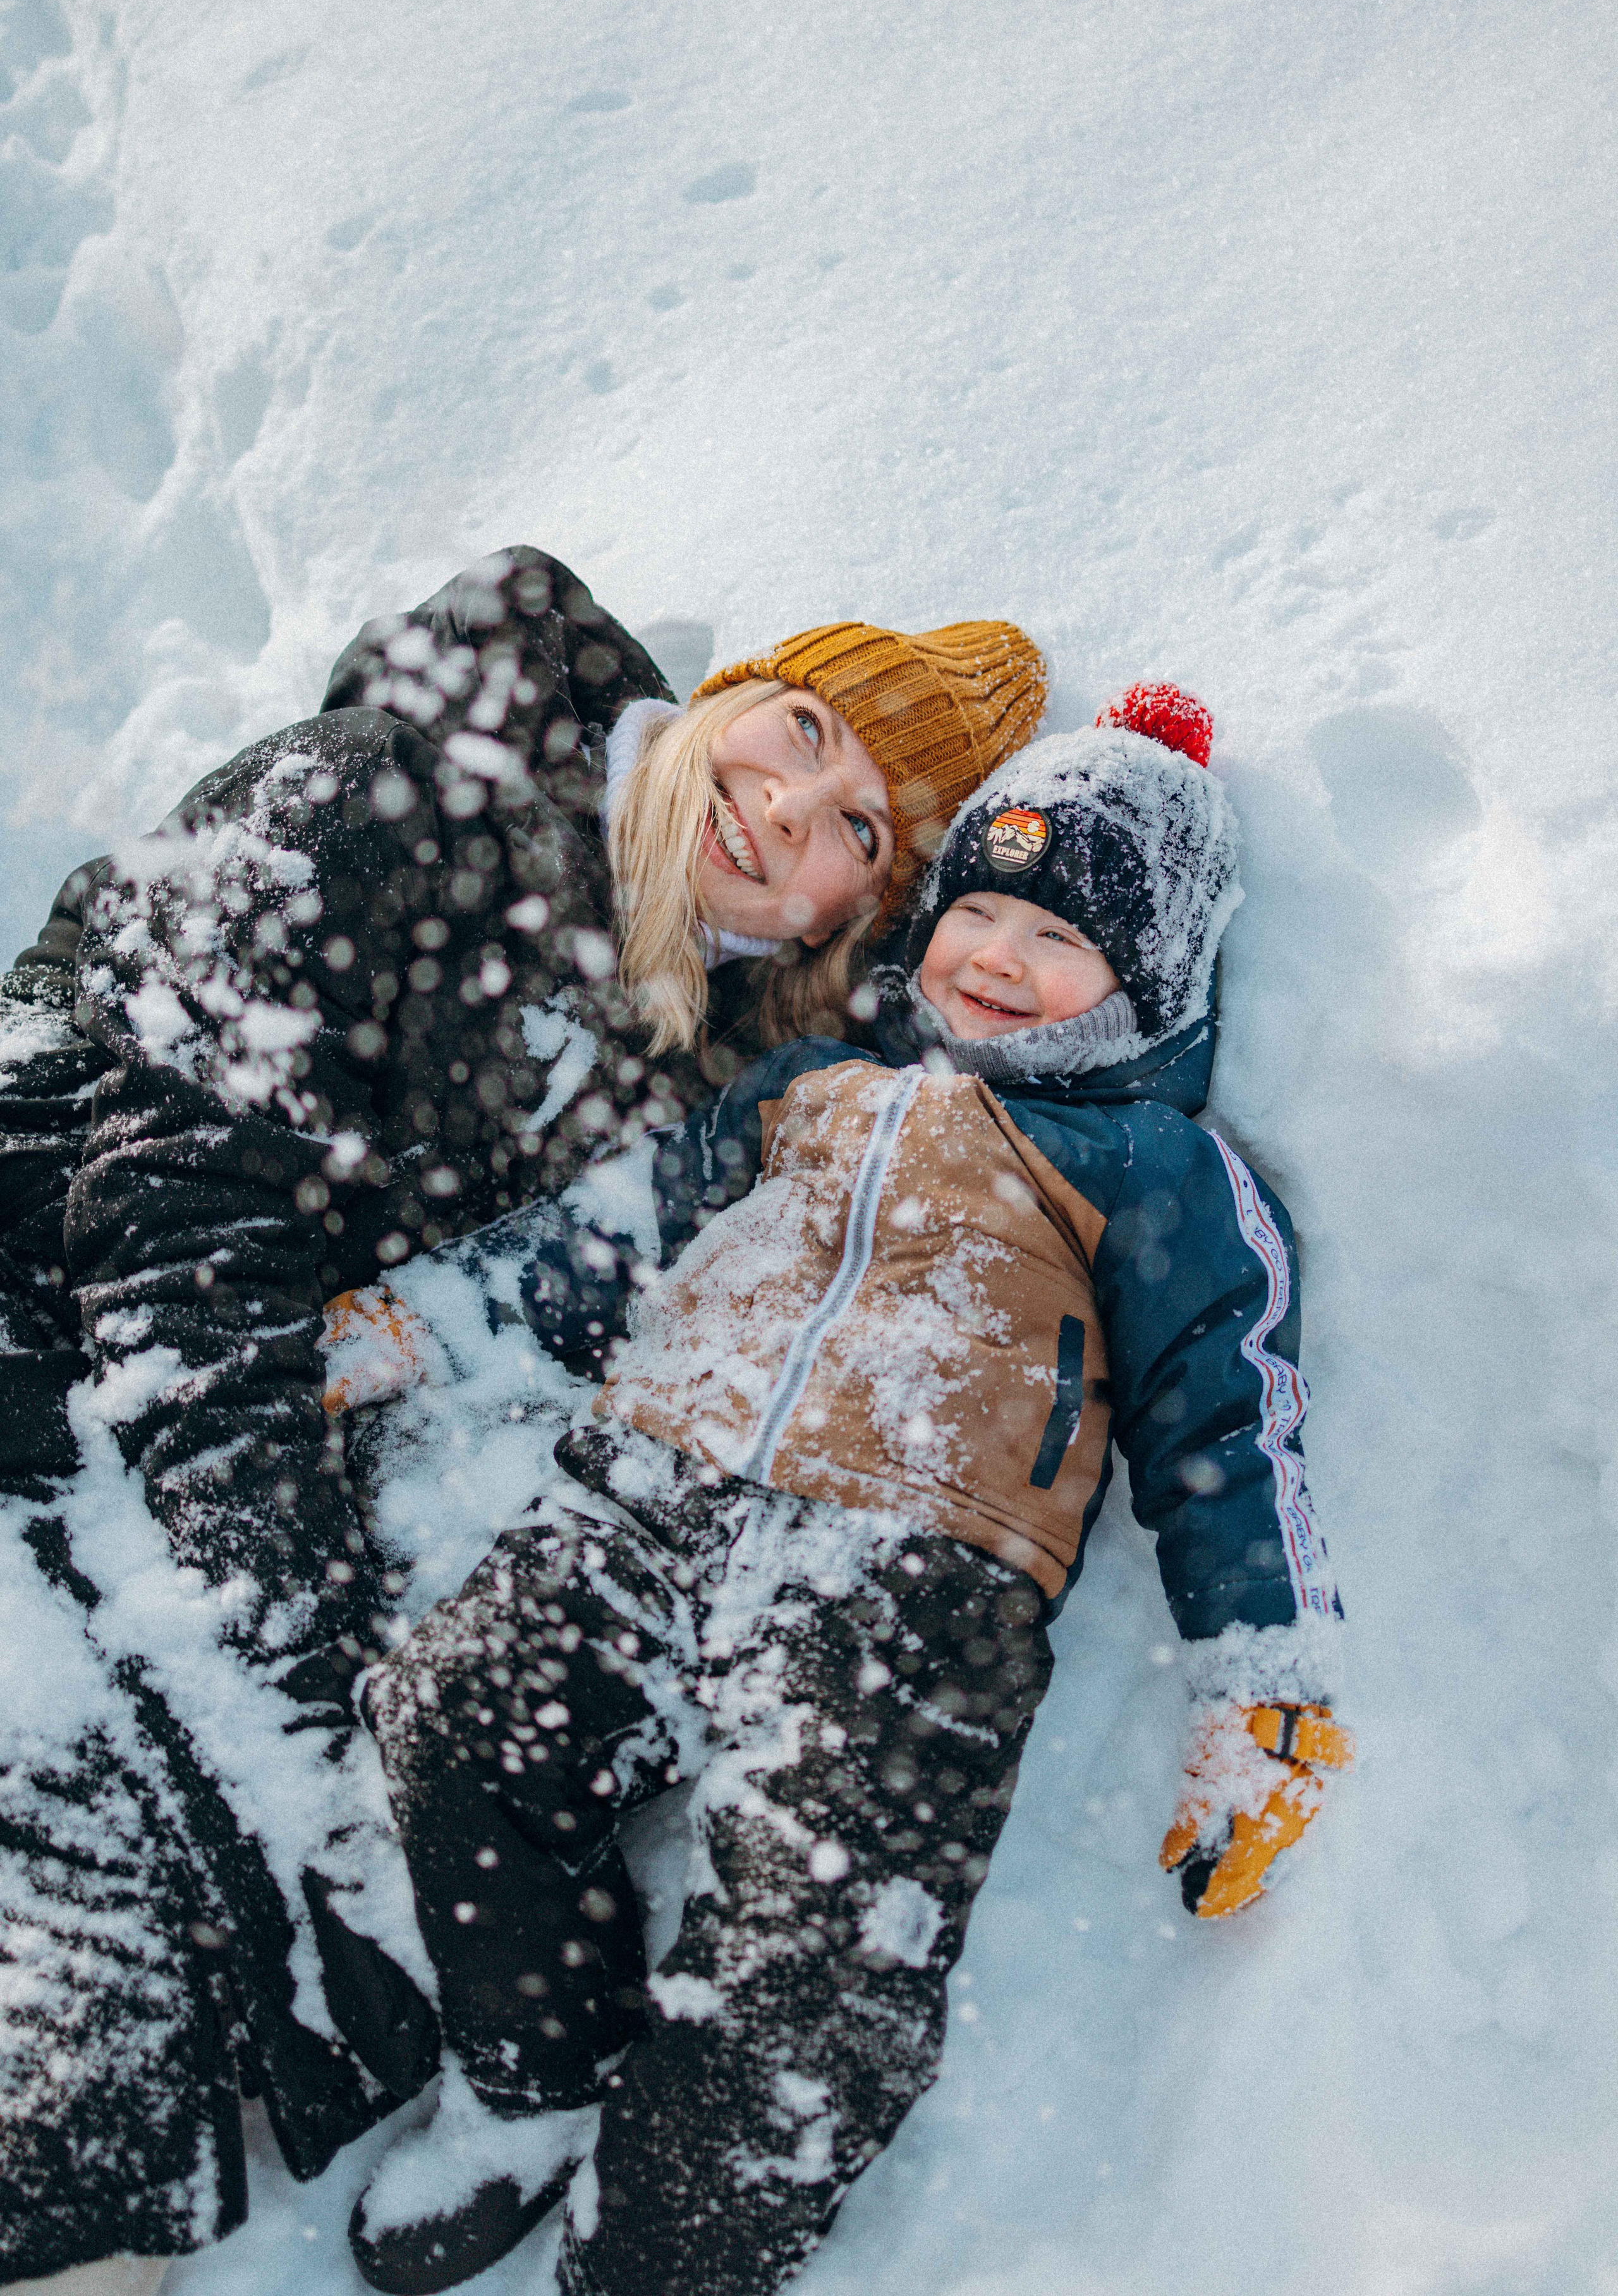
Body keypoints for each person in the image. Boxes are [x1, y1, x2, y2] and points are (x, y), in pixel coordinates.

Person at [0, 547, 1044, 2293]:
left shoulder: (701, 1044)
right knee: (101, 1814)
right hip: (45, 1292)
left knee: (153, 1912)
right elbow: (180, 1204)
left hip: (180, 1434)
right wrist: (286, 1631)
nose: (792, 809)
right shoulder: (394, 790)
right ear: (725, 698)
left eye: (864, 831)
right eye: (800, 729)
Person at [328, 681, 1353, 2296]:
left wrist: (1263, 1677)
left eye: (1060, 941)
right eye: (985, 909)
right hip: (642, 1489)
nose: (998, 958)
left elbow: (1231, 1424)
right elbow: (608, 1235)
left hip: (911, 1577)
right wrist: (430, 1321)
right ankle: (531, 2074)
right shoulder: (811, 1088)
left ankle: (659, 2256)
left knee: (811, 1963)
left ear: (1149, 988)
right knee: (455, 1713)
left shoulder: (1154, 1170)